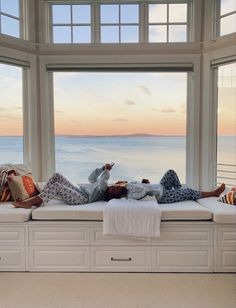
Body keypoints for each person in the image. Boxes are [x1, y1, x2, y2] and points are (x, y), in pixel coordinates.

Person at [13, 164, 114, 209]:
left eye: (116, 188)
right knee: (57, 175)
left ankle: (29, 203)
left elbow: (103, 181)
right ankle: (40, 197)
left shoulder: (103, 189)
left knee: (57, 186)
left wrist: (107, 171)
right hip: (79, 190)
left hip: (83, 199)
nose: (114, 187)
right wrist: (102, 168)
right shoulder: (99, 183)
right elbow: (91, 177)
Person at [105, 169, 225, 204]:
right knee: (188, 191)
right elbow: (141, 191)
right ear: (116, 195)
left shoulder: (128, 185)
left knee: (170, 172)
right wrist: (127, 186)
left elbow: (142, 185)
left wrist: (144, 182)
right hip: (162, 196)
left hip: (159, 186)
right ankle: (214, 193)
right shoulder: (129, 195)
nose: (115, 187)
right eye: (113, 190)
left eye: (113, 186)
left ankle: (180, 192)